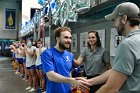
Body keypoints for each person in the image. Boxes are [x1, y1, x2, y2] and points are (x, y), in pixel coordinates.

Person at [80, 2, 140, 93]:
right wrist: (89, 81)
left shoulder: (127, 45)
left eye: (114, 20)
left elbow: (110, 88)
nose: (113, 25)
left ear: (124, 19)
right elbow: (116, 71)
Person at [41, 27, 90, 93]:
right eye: (66, 37)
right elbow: (51, 76)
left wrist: (73, 84)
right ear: (57, 39)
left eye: (70, 38)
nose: (69, 40)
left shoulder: (70, 55)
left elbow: (68, 72)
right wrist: (71, 80)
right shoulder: (47, 53)